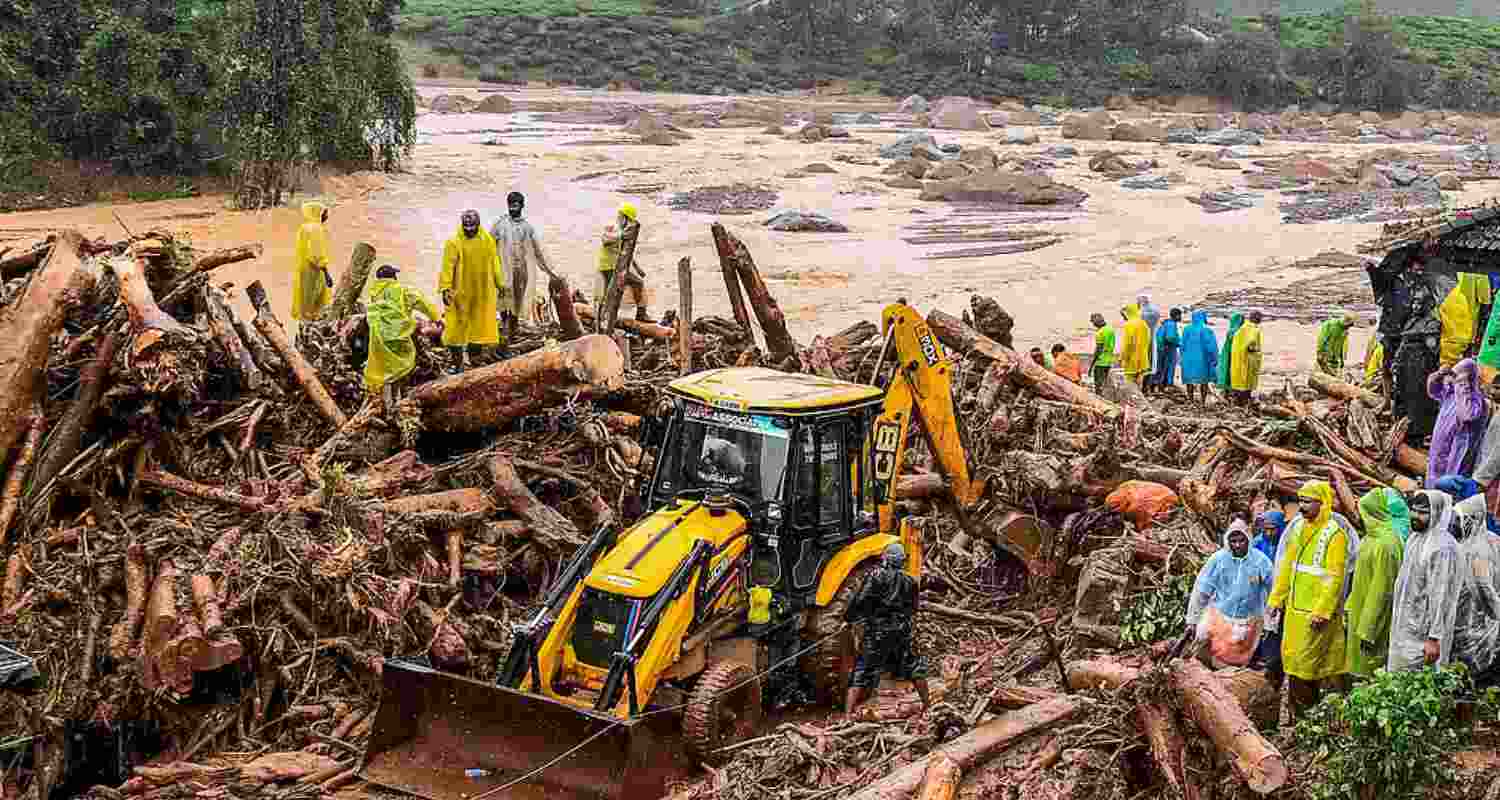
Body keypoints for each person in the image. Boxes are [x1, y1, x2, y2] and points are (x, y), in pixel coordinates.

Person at [1267, 480, 1349, 720]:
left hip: (1316, 615)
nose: (1301, 507)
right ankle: (1298, 717)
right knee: (1294, 664)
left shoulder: (1334, 534)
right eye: (1300, 500)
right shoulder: (1299, 529)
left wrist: (1322, 611)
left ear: (1322, 503)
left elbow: (1334, 577)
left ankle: (1313, 717)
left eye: (1307, 501)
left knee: (1309, 666)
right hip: (1295, 611)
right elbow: (1287, 567)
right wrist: (1276, 599)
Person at [844, 542, 930, 717]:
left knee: (862, 670)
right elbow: (913, 609)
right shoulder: (910, 581)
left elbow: (859, 601)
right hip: (901, 631)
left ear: (885, 559)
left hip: (877, 631)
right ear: (901, 561)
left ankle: (847, 715)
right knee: (914, 667)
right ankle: (928, 706)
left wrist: (849, 619)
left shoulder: (874, 577)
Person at [1186, 518, 1274, 667]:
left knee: (1234, 661)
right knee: (1205, 651)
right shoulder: (1218, 560)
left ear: (1249, 540)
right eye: (1233, 541)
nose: (1238, 545)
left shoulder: (1261, 562)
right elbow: (1201, 590)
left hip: (1249, 620)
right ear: (1228, 541)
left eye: (1242, 541)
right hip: (1220, 615)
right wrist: (1192, 619)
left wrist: (1270, 622)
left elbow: (1273, 591)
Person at [1388, 490, 1461, 671]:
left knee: (1421, 686)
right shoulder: (1415, 538)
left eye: (1422, 513)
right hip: (1405, 626)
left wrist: (1434, 638)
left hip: (1424, 634)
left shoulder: (1442, 547)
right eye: (1413, 510)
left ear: (1436, 513)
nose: (1415, 516)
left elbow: (1441, 594)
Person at [1344, 488, 1404, 679]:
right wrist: (1349, 607)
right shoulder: (1369, 539)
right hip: (1359, 613)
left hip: (1371, 623)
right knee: (1356, 671)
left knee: (1370, 674)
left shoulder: (1387, 544)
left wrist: (1368, 630)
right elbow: (1359, 580)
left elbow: (1382, 590)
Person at [440, 209, 510, 371]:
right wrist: (445, 289)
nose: (469, 229)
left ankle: (473, 361)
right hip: (459, 293)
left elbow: (495, 264)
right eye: (466, 226)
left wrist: (501, 285)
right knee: (454, 331)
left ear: (478, 225)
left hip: (481, 292)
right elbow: (447, 267)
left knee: (478, 329)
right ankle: (457, 364)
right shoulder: (453, 242)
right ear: (462, 225)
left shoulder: (487, 240)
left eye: (472, 226)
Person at [363, 265, 440, 409]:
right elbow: (421, 302)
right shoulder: (402, 290)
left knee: (384, 370)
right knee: (403, 366)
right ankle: (398, 400)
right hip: (398, 336)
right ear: (393, 277)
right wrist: (436, 318)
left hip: (378, 338)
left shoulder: (374, 294)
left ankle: (387, 404)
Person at [1450, 494, 1500, 684]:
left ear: (1473, 519)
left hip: (1475, 621)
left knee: (1472, 673)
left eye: (1461, 520)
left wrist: (1496, 614)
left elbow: (1482, 586)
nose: (1457, 524)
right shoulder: (1492, 540)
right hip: (1483, 618)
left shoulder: (1476, 550)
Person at [490, 191, 555, 333]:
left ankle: (512, 331)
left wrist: (552, 272)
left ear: (522, 206)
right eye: (510, 205)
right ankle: (504, 329)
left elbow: (539, 252)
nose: (513, 208)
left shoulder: (527, 228)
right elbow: (487, 245)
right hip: (503, 269)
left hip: (521, 271)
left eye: (516, 205)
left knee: (517, 303)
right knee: (503, 302)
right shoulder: (499, 225)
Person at [1426, 359, 1489, 486]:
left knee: (1451, 479)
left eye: (1459, 377)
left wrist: (1463, 388)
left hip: (1457, 449)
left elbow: (1467, 415)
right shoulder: (1450, 392)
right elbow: (1432, 390)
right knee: (1434, 472)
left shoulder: (1476, 399)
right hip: (1440, 444)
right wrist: (1440, 374)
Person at [597, 203, 650, 323]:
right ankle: (603, 319)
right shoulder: (612, 227)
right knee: (609, 294)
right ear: (624, 217)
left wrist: (637, 268)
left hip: (619, 267)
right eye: (629, 220)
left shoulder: (625, 230)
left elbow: (626, 252)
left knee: (637, 284)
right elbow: (605, 240)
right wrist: (622, 236)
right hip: (608, 267)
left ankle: (641, 314)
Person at [291, 201, 335, 338]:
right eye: (325, 212)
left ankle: (302, 333)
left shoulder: (304, 227)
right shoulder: (316, 229)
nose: (327, 215)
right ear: (318, 213)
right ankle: (312, 335)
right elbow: (316, 254)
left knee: (304, 302)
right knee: (315, 303)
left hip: (302, 270)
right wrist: (326, 272)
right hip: (314, 272)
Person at [1438, 272, 1492, 368]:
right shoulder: (1479, 273)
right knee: (1464, 372)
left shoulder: (1444, 271)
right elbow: (1485, 302)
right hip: (1467, 336)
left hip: (1443, 333)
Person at [1180, 309, 1218, 405]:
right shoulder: (1207, 330)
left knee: (1189, 380)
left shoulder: (1186, 329)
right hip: (1202, 359)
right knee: (1204, 381)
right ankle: (1203, 401)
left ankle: (1190, 400)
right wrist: (1215, 358)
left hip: (1188, 359)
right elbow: (1211, 347)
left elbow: (1182, 345)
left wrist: (1182, 357)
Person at [1230, 311, 1264, 405]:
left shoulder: (1241, 328)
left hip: (1237, 359)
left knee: (1238, 381)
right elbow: (1250, 345)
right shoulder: (1254, 330)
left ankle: (1237, 402)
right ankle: (1245, 403)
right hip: (1248, 359)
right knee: (1247, 382)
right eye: (1260, 318)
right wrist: (1256, 351)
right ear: (1257, 319)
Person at [1148, 307, 1182, 396]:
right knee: (1168, 367)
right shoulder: (1171, 324)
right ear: (1176, 316)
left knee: (1160, 367)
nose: (1180, 317)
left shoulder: (1165, 323)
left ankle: (1155, 385)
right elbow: (1170, 337)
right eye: (1180, 315)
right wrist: (1179, 343)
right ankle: (1164, 386)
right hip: (1167, 349)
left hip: (1161, 349)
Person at [1119, 304, 1151, 390]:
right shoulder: (1143, 323)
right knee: (1139, 382)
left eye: (1123, 315)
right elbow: (1148, 340)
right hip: (1143, 359)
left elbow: (1127, 344)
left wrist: (1122, 357)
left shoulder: (1129, 325)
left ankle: (1133, 401)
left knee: (1130, 385)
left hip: (1132, 359)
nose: (1123, 318)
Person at [1217, 312, 1244, 400]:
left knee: (1227, 372)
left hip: (1227, 353)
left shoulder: (1231, 330)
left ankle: (1227, 392)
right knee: (1235, 372)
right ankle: (1234, 393)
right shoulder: (1238, 331)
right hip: (1235, 355)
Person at [1090, 313, 1117, 391]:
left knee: (1098, 385)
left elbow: (1099, 349)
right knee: (1105, 384)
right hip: (1109, 361)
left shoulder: (1100, 332)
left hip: (1100, 362)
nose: (1093, 324)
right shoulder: (1110, 329)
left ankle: (1099, 399)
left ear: (1097, 321)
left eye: (1093, 322)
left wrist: (1092, 364)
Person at [1138, 293, 1161, 371]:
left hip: (1147, 332)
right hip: (1150, 331)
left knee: (1148, 352)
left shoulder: (1146, 310)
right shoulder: (1153, 309)